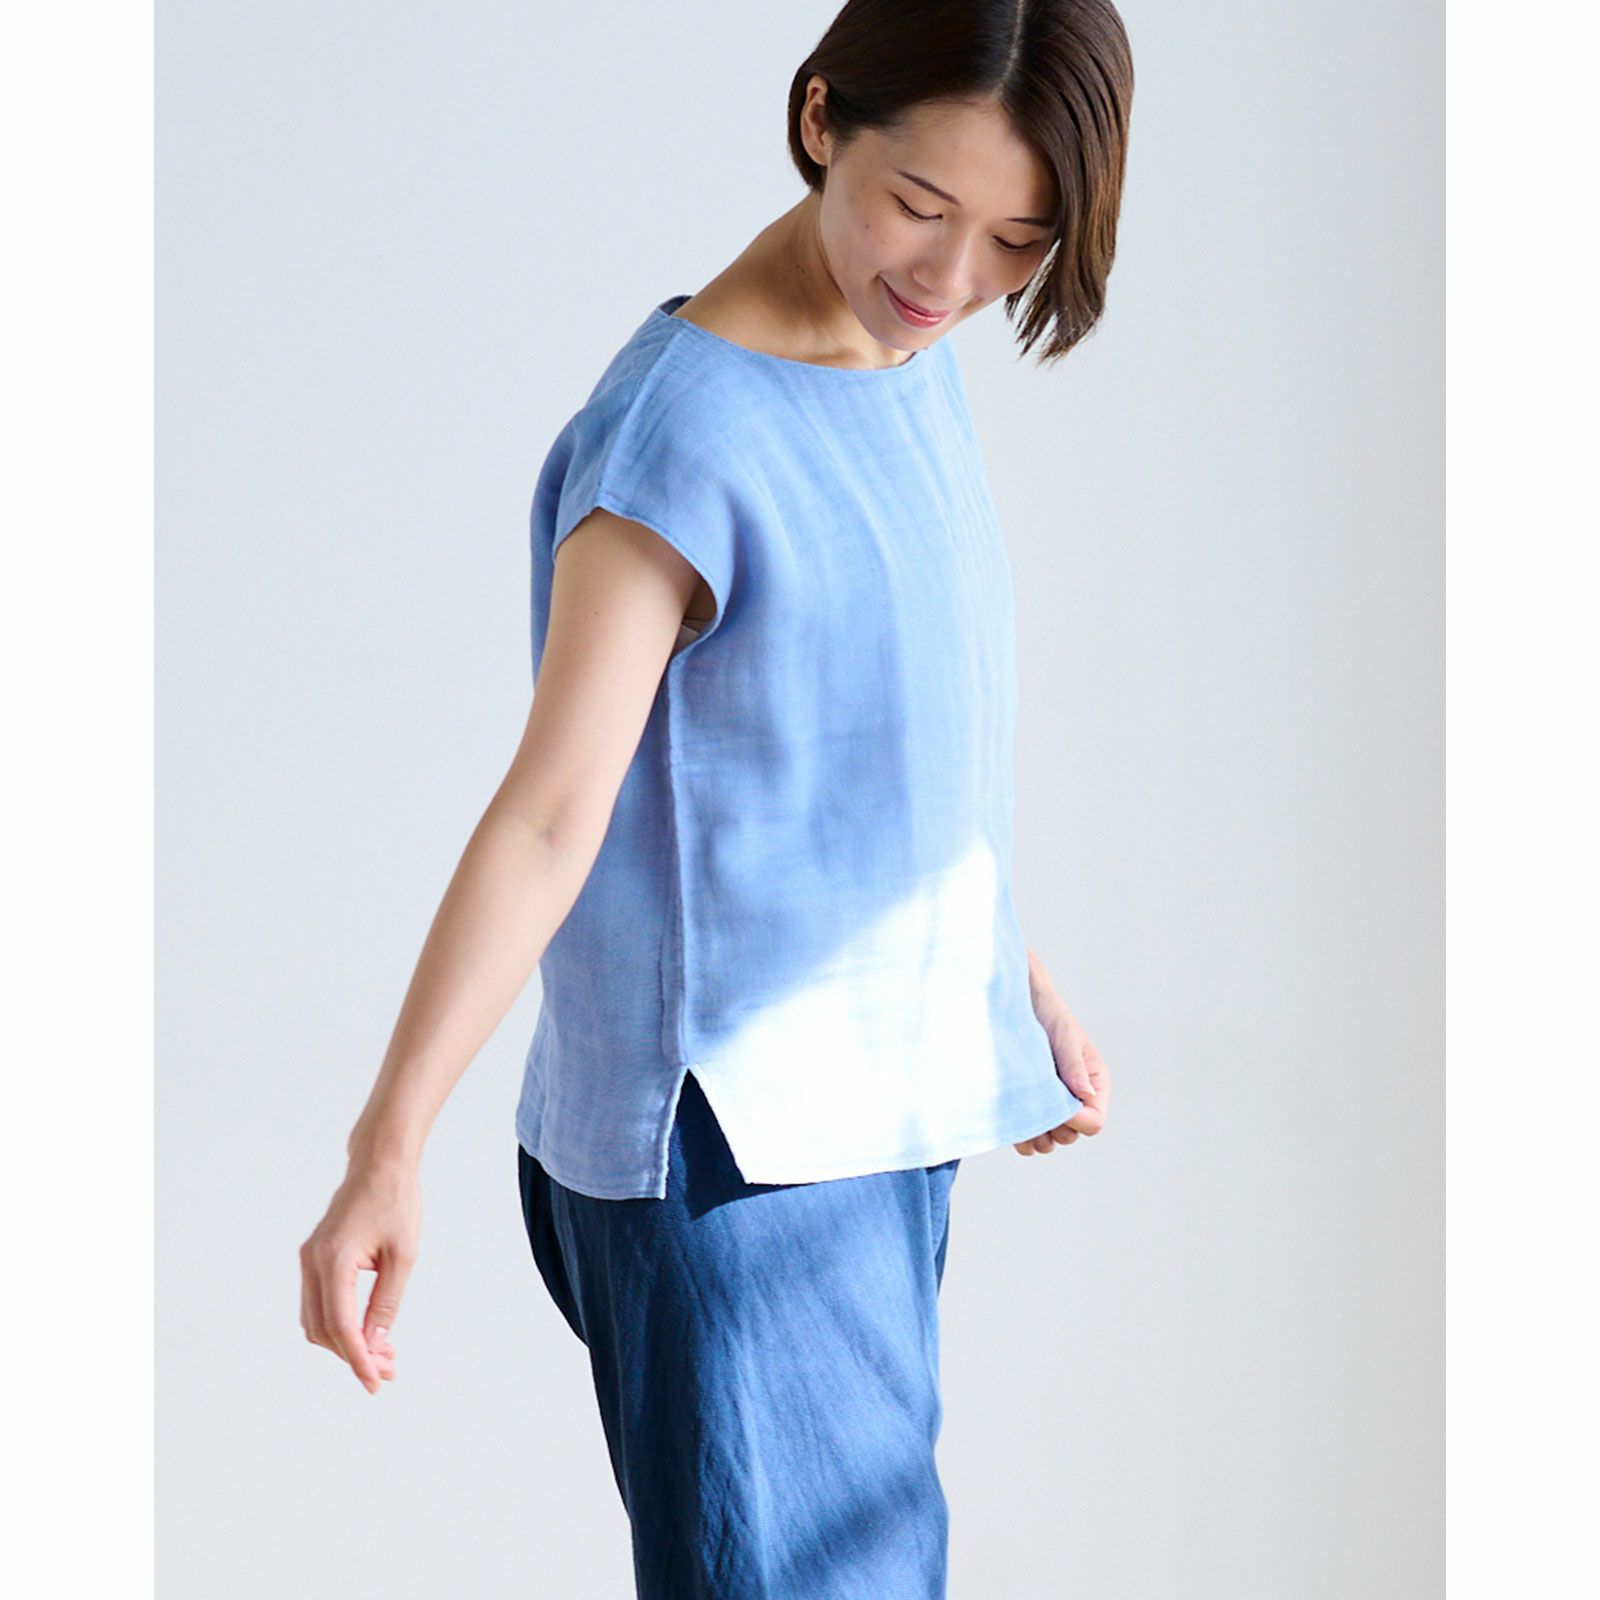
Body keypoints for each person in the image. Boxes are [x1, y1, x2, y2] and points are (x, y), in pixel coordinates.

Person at [300, 0, 1131, 1592]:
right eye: (920, 204)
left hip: (874, 1124)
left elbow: (876, 735)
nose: (952, 276)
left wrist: (999, 971)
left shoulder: (903, 358)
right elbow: (552, 815)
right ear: (822, 119)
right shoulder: (685, 441)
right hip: (740, 1150)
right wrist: (386, 1148)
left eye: (1018, 242)